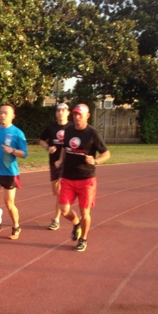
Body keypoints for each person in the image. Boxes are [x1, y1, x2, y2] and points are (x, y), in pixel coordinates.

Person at [55, 103, 111, 252]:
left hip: (86, 179)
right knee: (64, 210)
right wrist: (61, 160)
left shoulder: (93, 133)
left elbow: (107, 153)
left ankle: (83, 239)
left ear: (87, 116)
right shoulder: (68, 131)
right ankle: (76, 224)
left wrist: (96, 160)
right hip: (68, 177)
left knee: (85, 212)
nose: (77, 117)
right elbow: (64, 148)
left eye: (80, 114)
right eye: (75, 114)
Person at [0, 103, 28, 243]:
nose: (2, 115)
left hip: (10, 172)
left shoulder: (18, 133)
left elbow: (24, 153)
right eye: (0, 112)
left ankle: (16, 226)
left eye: (5, 113)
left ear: (12, 116)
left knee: (9, 204)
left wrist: (12, 151)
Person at [38, 102, 72, 231]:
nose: (60, 113)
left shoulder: (72, 128)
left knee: (59, 190)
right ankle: (63, 204)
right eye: (58, 111)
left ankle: (56, 219)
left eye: (63, 110)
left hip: (68, 162)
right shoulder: (51, 127)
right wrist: (47, 147)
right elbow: (41, 140)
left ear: (68, 113)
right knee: (55, 191)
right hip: (53, 161)